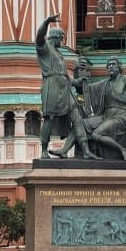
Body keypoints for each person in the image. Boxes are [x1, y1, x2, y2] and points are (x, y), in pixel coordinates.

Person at [36, 14, 92, 158]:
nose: (62, 41)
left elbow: (66, 77)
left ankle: (81, 150)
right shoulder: (45, 49)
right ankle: (44, 149)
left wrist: (77, 82)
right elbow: (39, 36)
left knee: (76, 116)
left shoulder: (60, 54)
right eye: (61, 38)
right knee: (50, 118)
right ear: (55, 37)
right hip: (52, 86)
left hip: (64, 89)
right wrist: (47, 21)